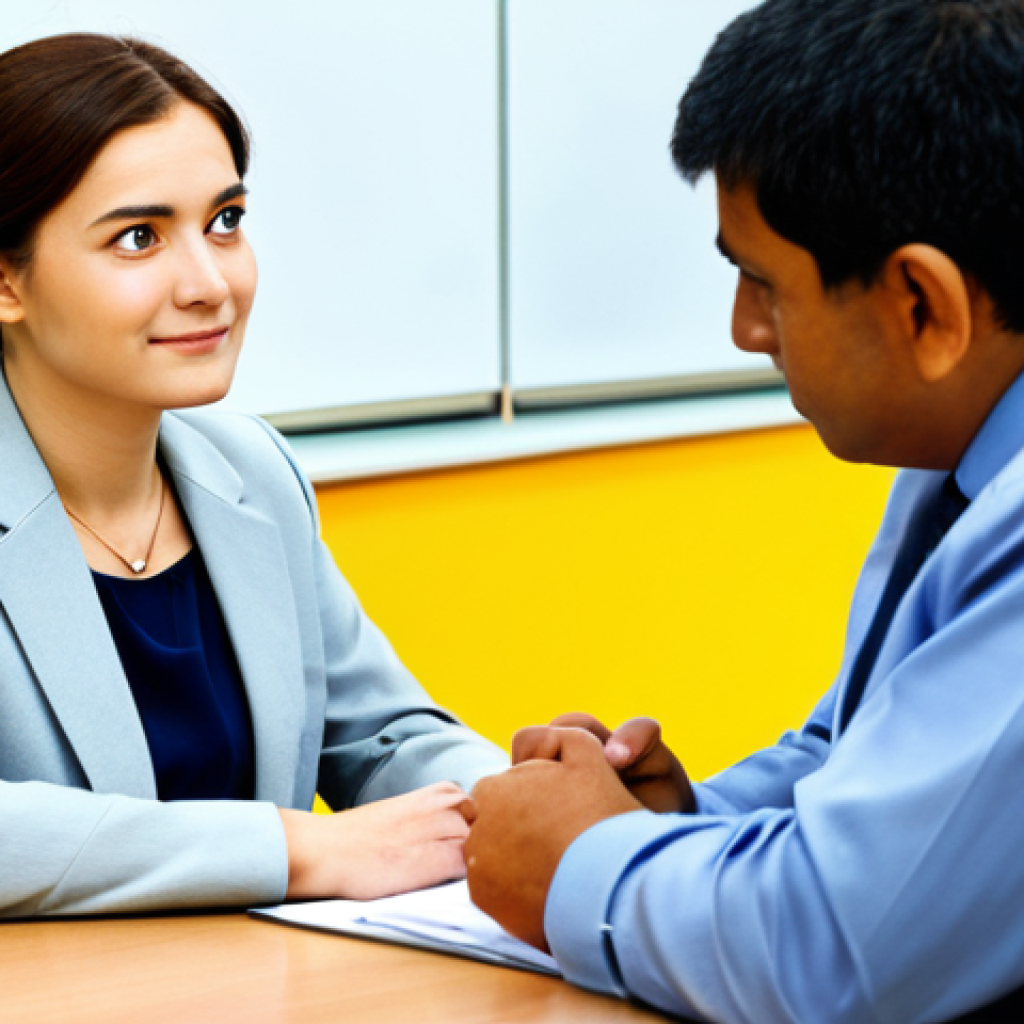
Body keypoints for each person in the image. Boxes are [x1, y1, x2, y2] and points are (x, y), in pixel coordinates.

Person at [461, 0, 1024, 1020]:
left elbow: (834, 950)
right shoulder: (962, 453)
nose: (742, 330)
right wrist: (685, 818)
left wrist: (584, 863)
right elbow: (862, 760)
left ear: (921, 308)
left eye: (762, 282)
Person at [0, 32, 506, 918]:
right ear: (8, 281)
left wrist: (531, 801)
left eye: (225, 221)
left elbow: (383, 742)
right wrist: (295, 846)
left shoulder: (251, 473)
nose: (209, 283)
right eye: (138, 237)